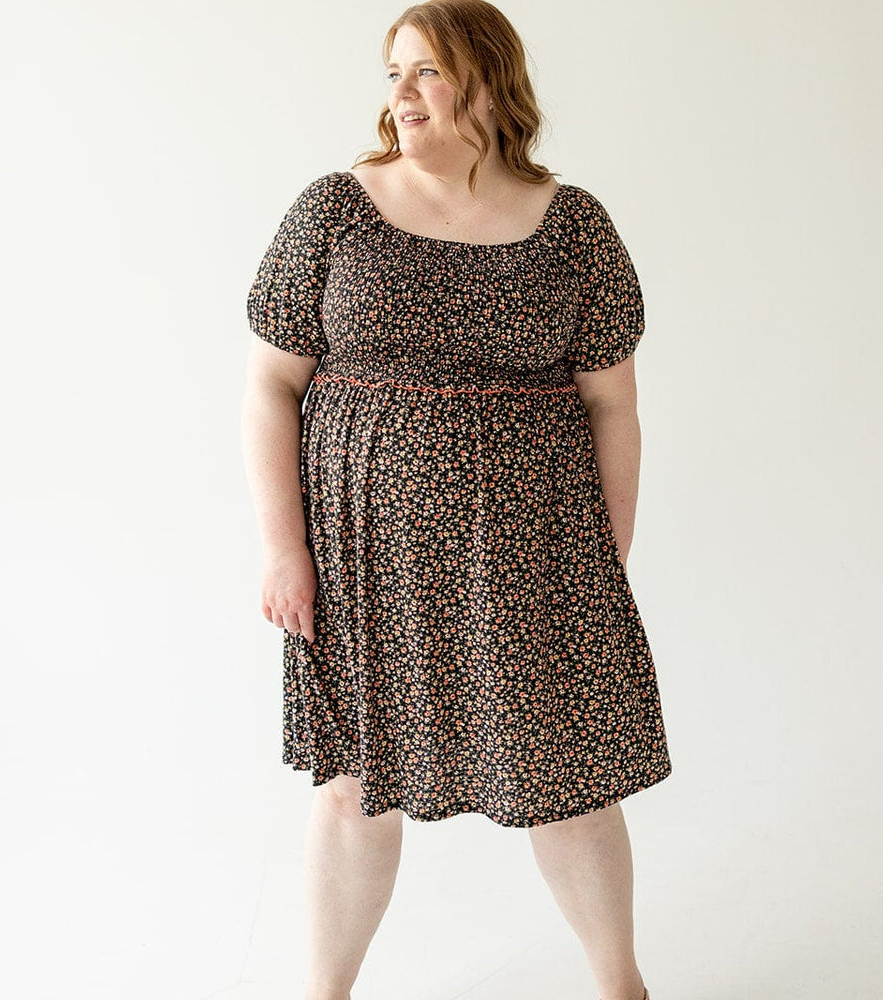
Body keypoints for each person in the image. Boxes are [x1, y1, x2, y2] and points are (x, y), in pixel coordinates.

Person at [241, 2, 672, 998]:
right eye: (394, 71)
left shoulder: (572, 227)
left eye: (426, 72)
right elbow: (269, 384)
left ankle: (621, 985)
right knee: (354, 784)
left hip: (535, 554)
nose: (399, 95)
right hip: (363, 552)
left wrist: (601, 556)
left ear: (488, 84)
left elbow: (614, 404)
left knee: (569, 778)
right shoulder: (334, 211)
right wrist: (281, 546)